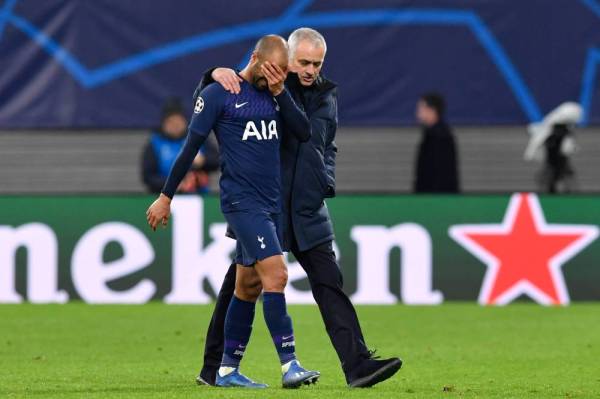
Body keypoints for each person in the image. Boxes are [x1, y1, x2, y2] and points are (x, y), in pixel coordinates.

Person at [196, 27, 402, 388]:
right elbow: (217, 103)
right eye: (303, 62)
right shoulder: (266, 85)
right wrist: (210, 73)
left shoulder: (326, 96)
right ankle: (214, 368)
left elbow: (327, 144)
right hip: (267, 206)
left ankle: (358, 366)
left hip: (308, 207)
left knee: (329, 284)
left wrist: (326, 179)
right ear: (288, 59)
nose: (310, 69)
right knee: (241, 286)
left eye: (316, 63)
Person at [146, 35, 320, 389]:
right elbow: (189, 146)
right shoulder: (219, 93)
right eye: (269, 70)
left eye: (281, 72)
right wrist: (166, 196)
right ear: (254, 58)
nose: (274, 76)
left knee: (248, 285)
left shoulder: (276, 92)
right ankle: (290, 365)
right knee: (277, 276)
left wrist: (280, 92)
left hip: (271, 202)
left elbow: (304, 132)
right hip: (243, 203)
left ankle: (227, 370)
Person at [141, 98, 219, 194]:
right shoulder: (155, 143)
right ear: (164, 123)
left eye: (178, 121)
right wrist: (175, 185)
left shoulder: (198, 138)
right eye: (171, 121)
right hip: (164, 198)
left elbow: (217, 160)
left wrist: (203, 160)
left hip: (198, 196)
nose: (175, 125)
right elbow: (148, 177)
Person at [414, 93, 460, 193]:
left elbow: (441, 173)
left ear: (432, 110)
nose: (418, 112)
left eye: (421, 108)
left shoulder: (441, 136)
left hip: (437, 199)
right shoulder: (430, 134)